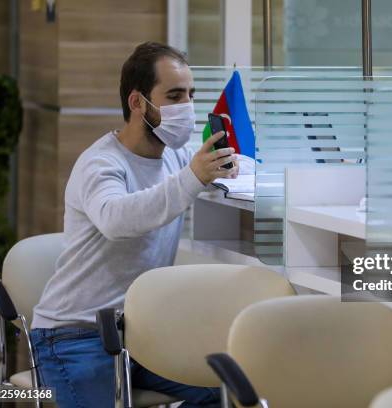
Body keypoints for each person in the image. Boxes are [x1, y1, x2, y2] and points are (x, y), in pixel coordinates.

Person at [30, 42, 237, 407]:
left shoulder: (176, 157)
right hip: (73, 336)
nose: (186, 107)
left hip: (140, 333)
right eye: (174, 96)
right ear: (137, 102)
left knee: (226, 393)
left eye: (190, 95)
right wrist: (192, 178)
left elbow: (219, 168)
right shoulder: (101, 164)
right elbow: (117, 218)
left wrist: (234, 164)